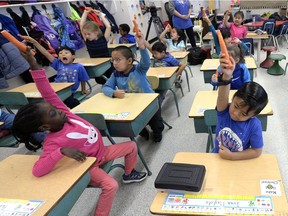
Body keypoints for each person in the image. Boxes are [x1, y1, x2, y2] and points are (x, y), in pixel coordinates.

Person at [12, 47, 147, 216]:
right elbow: (38, 170)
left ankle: (128, 174)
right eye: (53, 113)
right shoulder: (53, 142)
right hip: (87, 166)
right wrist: (60, 152)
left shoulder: (65, 114)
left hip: (101, 153)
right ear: (44, 128)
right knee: (111, 185)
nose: (59, 110)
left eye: (55, 108)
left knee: (131, 146)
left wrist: (34, 65)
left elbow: (46, 91)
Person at [102, 34, 164, 142]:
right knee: (133, 122)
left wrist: (142, 47)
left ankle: (157, 132)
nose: (115, 63)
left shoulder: (138, 70)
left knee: (156, 122)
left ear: (129, 61)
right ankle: (141, 130)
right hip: (132, 103)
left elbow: (146, 62)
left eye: (118, 60)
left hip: (150, 101)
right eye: (113, 60)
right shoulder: (115, 74)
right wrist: (113, 93)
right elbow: (106, 87)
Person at [212, 53, 268, 160]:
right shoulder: (224, 111)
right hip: (217, 158)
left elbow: (256, 151)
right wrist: (227, 75)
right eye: (236, 106)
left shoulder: (254, 125)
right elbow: (222, 95)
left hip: (239, 162)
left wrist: (232, 156)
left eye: (243, 114)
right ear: (233, 98)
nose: (235, 113)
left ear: (253, 115)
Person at [19, 36, 90, 109]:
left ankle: (79, 110)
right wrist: (35, 42)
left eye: (66, 52)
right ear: (59, 57)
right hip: (56, 89)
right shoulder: (58, 64)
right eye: (61, 53)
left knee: (70, 102)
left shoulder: (79, 66)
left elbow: (83, 79)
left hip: (68, 91)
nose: (63, 54)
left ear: (73, 56)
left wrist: (83, 89)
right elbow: (46, 53)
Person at [80, 8, 114, 85]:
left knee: (112, 78)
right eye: (85, 34)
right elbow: (81, 25)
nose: (87, 36)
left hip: (107, 65)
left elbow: (108, 27)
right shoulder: (87, 40)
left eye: (89, 34)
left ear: (96, 32)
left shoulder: (104, 38)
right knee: (101, 81)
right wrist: (85, 13)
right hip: (97, 67)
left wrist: (101, 16)